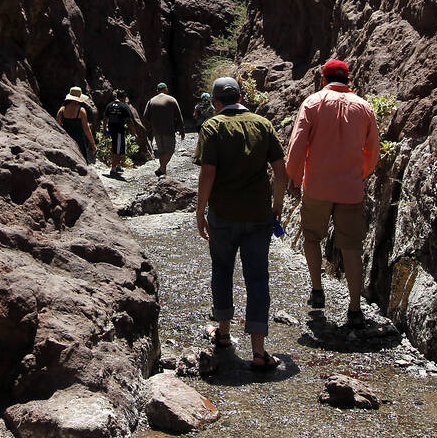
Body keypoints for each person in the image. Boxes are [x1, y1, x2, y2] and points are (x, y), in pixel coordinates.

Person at [193, 76, 288, 371]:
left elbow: (207, 173)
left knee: (222, 270)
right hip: (259, 215)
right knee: (257, 277)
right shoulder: (263, 124)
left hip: (223, 214)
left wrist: (200, 211)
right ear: (241, 96)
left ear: (215, 102)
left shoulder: (212, 126)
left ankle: (223, 335)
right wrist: (277, 205)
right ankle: (259, 353)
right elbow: (281, 172)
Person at [284, 59, 380, 328]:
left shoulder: (312, 103)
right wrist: (360, 174)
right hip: (350, 189)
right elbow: (373, 151)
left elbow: (297, 145)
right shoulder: (364, 107)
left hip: (317, 186)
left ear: (322, 79)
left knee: (312, 237)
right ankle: (354, 308)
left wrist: (295, 176)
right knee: (351, 246)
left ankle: (317, 291)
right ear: (348, 79)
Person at [143, 82, 185, 176]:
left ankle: (163, 173)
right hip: (168, 129)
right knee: (170, 150)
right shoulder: (171, 100)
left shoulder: (151, 100)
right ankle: (162, 168)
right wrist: (182, 130)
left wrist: (152, 125)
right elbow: (179, 116)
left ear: (157, 91)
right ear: (166, 90)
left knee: (161, 151)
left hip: (156, 131)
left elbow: (145, 116)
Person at [103, 90, 140, 177]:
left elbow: (105, 118)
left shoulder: (110, 105)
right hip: (119, 130)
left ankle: (118, 165)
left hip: (111, 130)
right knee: (117, 149)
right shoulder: (124, 106)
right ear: (123, 98)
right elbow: (129, 121)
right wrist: (134, 133)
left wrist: (105, 130)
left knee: (118, 147)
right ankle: (113, 169)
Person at [57, 87, 96, 163]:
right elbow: (86, 128)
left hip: (65, 138)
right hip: (78, 139)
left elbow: (58, 125)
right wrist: (92, 143)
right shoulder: (81, 110)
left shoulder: (62, 109)